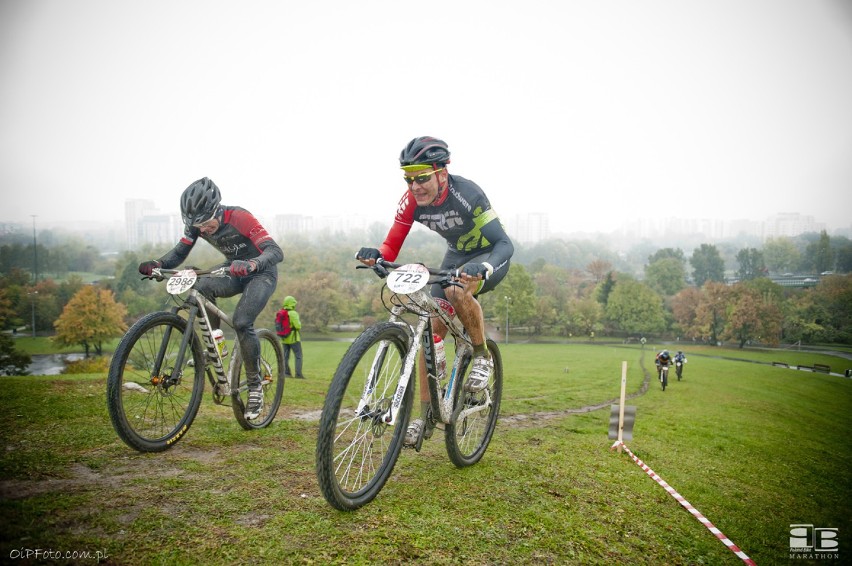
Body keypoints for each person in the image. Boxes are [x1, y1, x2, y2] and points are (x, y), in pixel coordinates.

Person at [356, 136, 514, 447]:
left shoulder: (468, 194)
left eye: (422, 177)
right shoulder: (411, 200)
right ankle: (426, 415)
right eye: (409, 179)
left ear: (442, 173)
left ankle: (481, 355)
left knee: (456, 292)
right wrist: (378, 254)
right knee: (431, 326)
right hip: (456, 256)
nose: (415, 186)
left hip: (487, 256)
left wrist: (485, 268)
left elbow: (504, 244)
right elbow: (392, 242)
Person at [138, 177, 283, 420]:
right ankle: (216, 346)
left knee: (241, 321)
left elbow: (275, 251)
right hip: (232, 270)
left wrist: (252, 263)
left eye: (206, 224)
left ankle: (255, 386)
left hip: (261, 273)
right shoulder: (196, 225)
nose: (202, 230)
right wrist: (159, 264)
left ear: (217, 210)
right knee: (202, 287)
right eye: (198, 227)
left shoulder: (240, 217)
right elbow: (180, 252)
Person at [276, 295, 304, 379]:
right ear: (292, 304)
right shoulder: (293, 313)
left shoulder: (281, 312)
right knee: (298, 356)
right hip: (294, 338)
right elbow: (298, 326)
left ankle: (287, 373)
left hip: (284, 339)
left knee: (285, 356)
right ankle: (298, 374)